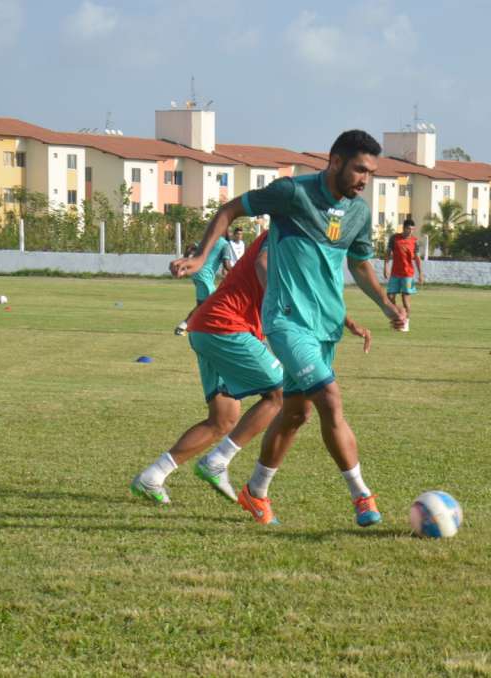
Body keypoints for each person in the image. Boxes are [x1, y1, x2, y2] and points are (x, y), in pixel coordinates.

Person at [172, 130, 405, 528]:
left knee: (296, 414)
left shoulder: (358, 213)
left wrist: (386, 304)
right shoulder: (291, 194)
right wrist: (199, 257)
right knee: (330, 398)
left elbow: (360, 264)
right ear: (334, 162)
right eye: (359, 170)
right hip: (285, 321)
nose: (364, 180)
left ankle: (256, 491)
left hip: (326, 326)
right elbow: (230, 209)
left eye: (370, 173)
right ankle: (362, 495)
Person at [133, 232, 284, 504]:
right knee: (280, 394)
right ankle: (217, 461)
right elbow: (263, 264)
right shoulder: (287, 232)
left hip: (205, 326)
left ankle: (152, 477)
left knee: (223, 419)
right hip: (225, 326)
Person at [174, 235, 229, 336]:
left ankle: (183, 327)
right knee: (213, 304)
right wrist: (239, 271)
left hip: (197, 273)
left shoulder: (209, 238)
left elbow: (190, 247)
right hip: (205, 276)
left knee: (202, 305)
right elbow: (227, 265)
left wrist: (185, 260)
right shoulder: (225, 244)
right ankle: (212, 331)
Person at [383, 217, 423, 332]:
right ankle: (397, 320)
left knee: (405, 300)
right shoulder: (394, 238)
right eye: (408, 229)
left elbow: (417, 259)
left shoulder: (414, 241)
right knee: (390, 298)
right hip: (395, 274)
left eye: (412, 229)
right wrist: (385, 267)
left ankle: (406, 322)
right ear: (403, 228)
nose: (410, 231)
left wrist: (420, 274)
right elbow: (388, 253)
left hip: (408, 275)